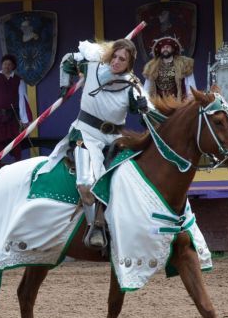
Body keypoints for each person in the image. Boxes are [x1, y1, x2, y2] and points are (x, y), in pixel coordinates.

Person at [37, 39, 150, 250]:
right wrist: (65, 85)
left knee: (126, 183)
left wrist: (143, 107)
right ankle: (94, 228)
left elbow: (146, 112)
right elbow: (67, 59)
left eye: (122, 59)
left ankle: (114, 227)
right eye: (114, 56)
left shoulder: (132, 84)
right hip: (85, 135)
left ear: (129, 62)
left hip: (116, 141)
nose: (116, 62)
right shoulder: (92, 68)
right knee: (85, 183)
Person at [142, 35, 196, 101]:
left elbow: (190, 86)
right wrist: (145, 100)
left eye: (167, 47)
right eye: (163, 47)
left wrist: (190, 98)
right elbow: (146, 88)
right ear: (160, 50)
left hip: (179, 105)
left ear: (173, 49)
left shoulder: (184, 64)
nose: (165, 49)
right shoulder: (152, 67)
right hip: (158, 106)